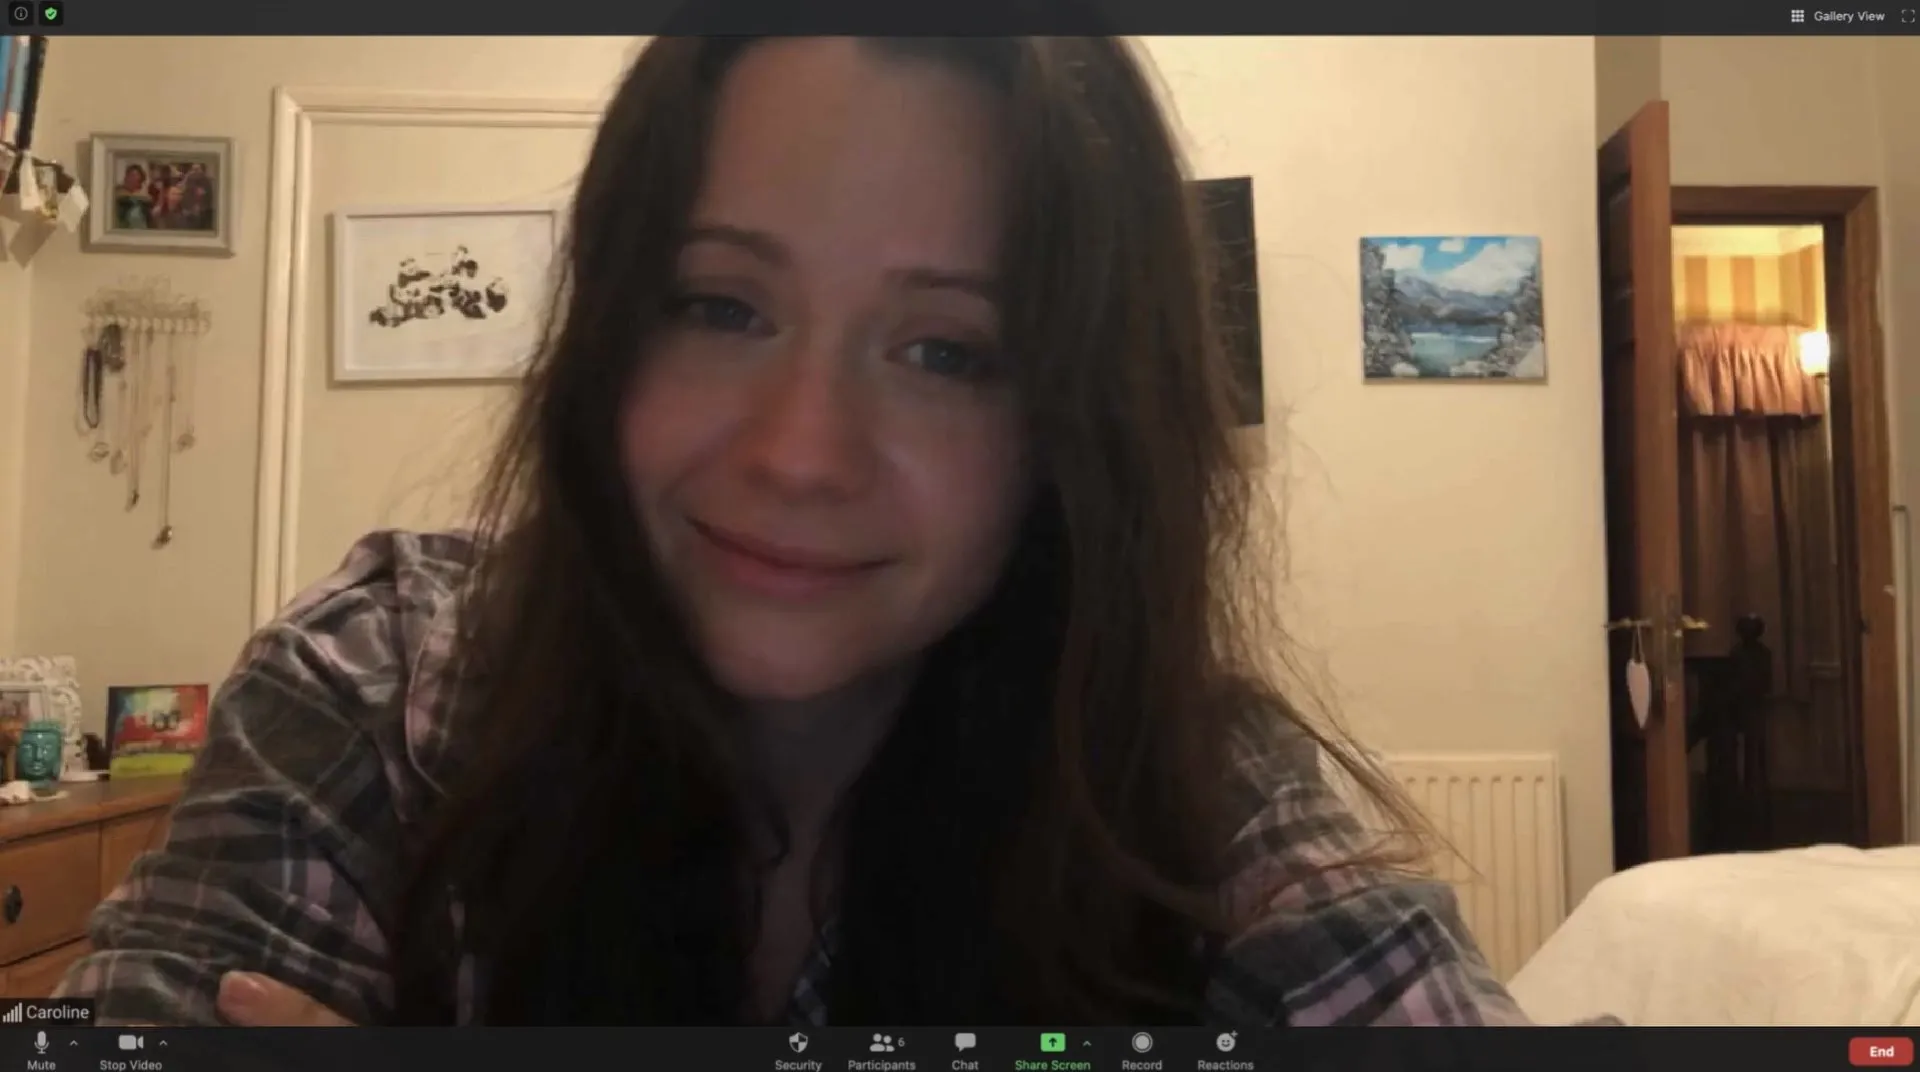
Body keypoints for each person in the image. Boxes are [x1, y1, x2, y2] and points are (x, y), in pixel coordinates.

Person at [56, 35, 1529, 1028]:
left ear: (1073, 432)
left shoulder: (1188, 788)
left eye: (947, 351)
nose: (800, 454)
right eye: (721, 306)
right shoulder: (374, 687)